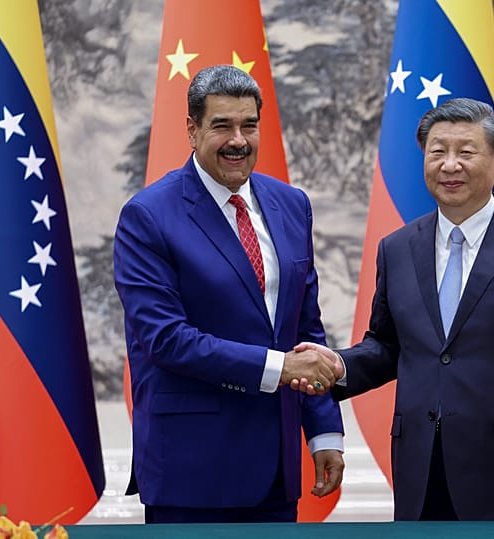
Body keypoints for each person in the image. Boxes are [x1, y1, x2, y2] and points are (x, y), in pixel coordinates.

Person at [294, 97, 494, 521]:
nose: (450, 165)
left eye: (465, 152)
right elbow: (388, 346)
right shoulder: (398, 248)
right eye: (437, 151)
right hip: (422, 464)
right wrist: (338, 366)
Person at [113, 64, 344, 524]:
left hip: (278, 474)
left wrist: (323, 433)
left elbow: (305, 329)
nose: (238, 140)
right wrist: (281, 368)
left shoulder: (292, 205)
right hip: (193, 472)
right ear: (192, 129)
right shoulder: (147, 217)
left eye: (249, 125)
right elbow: (166, 339)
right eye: (222, 126)